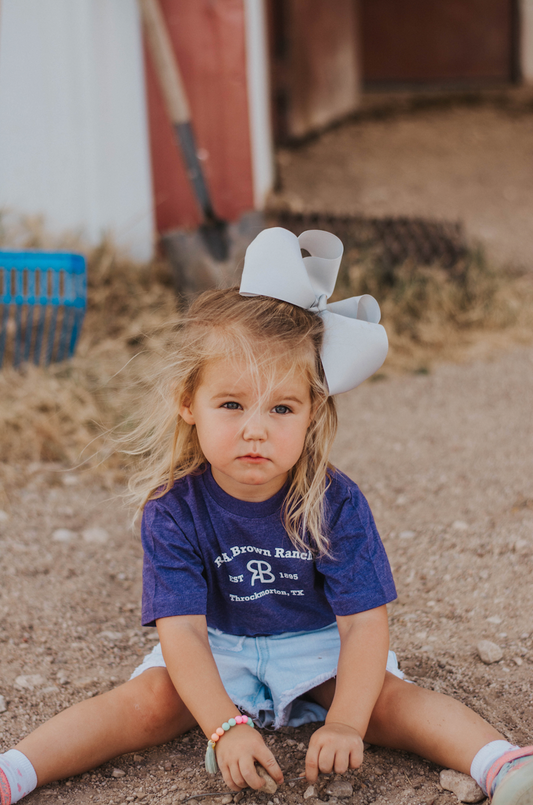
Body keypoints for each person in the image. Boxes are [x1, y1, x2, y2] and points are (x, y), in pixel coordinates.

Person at [0, 228, 531, 805]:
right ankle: (15, 771)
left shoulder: (335, 500)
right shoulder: (173, 508)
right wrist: (224, 726)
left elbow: (362, 625)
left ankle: (501, 763)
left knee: (388, 701)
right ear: (188, 403)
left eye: (281, 407)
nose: (256, 428)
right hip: (217, 647)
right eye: (231, 404)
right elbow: (182, 631)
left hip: (318, 643)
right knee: (145, 704)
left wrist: (348, 722)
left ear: (311, 413)